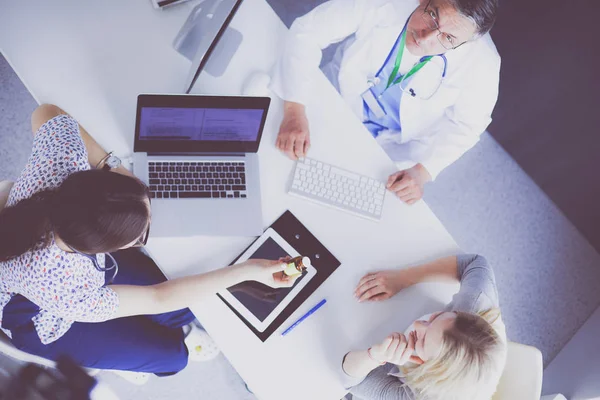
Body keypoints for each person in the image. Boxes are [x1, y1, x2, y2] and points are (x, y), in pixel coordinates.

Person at [0, 104, 297, 377]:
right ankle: (146, 352)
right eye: (140, 235)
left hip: (58, 270)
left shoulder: (61, 162)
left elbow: (46, 112)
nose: (147, 230)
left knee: (186, 306)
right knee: (173, 357)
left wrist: (112, 166)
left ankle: (168, 329)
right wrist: (246, 270)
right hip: (37, 319)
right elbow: (158, 297)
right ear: (102, 248)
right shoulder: (70, 292)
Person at [270, 0, 500, 204]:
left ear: (467, 43)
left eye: (448, 38)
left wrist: (423, 172)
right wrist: (294, 108)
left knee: (338, 201)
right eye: (432, 16)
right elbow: (309, 31)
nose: (425, 37)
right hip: (336, 97)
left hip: (395, 146)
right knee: (276, 164)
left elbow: (468, 126)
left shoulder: (483, 64)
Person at [343, 254, 507, 400]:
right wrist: (404, 278)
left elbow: (348, 381)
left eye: (422, 341)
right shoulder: (477, 304)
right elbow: (476, 263)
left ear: (426, 365)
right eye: (436, 317)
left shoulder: (421, 395)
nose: (417, 325)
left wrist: (375, 356)